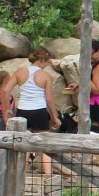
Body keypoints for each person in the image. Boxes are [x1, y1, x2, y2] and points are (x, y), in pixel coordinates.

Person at [13, 47, 60, 175]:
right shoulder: (45, 75)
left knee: (24, 143)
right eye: (47, 62)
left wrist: (6, 110)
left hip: (22, 110)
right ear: (42, 60)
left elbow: (5, 90)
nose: (47, 65)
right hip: (39, 111)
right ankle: (48, 174)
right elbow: (49, 99)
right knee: (44, 142)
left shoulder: (20, 72)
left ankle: (20, 174)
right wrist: (55, 117)